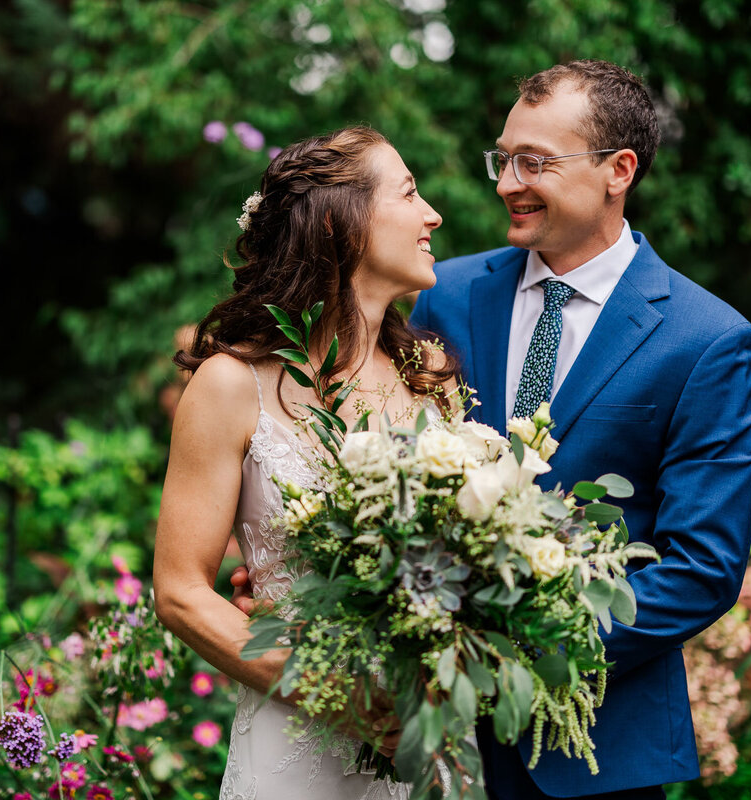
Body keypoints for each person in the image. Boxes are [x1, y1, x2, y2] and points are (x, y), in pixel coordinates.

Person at [409, 60, 751, 799]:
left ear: (618, 170)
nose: (507, 182)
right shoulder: (444, 298)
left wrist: (522, 655)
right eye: (502, 158)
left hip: (596, 746)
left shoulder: (706, 341)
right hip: (430, 733)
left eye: (533, 161)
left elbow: (702, 566)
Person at [153, 126, 456, 800]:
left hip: (420, 759)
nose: (433, 213)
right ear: (342, 225)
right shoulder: (233, 385)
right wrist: (338, 698)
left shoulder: (428, 378)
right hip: (293, 757)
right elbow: (180, 592)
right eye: (408, 192)